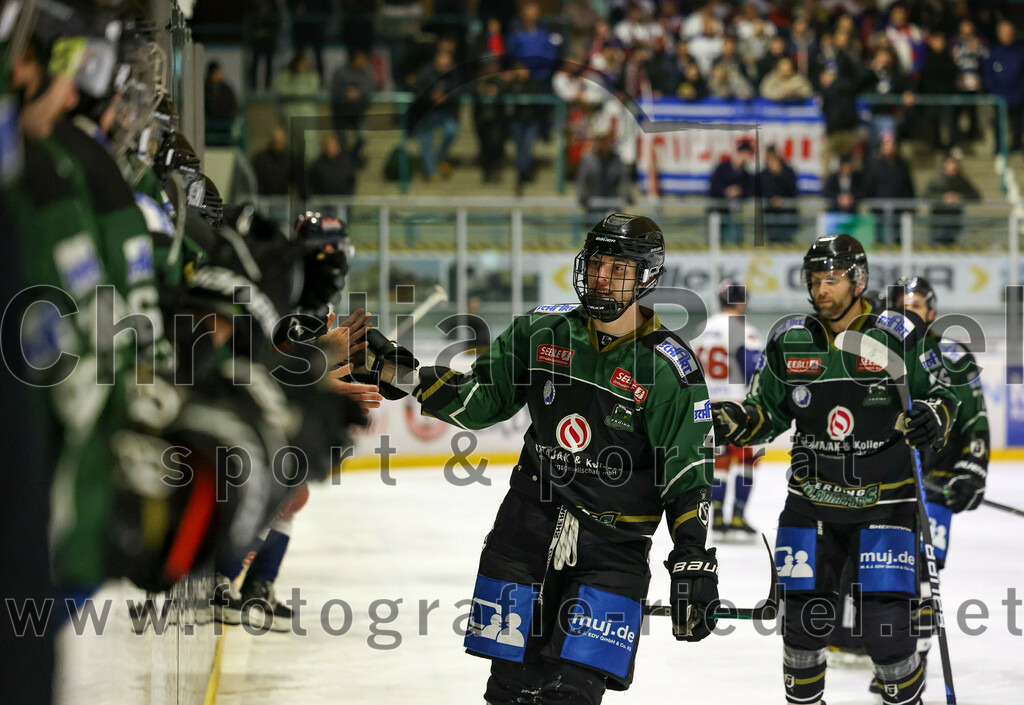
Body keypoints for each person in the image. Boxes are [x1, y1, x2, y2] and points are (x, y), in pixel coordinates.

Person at [369, 214, 718, 704]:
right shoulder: (542, 331)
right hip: (526, 529)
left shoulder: (667, 368)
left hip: (611, 548)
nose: (601, 277)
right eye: (597, 263)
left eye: (618, 269)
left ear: (646, 277)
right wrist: (394, 371)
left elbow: (686, 473)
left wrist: (692, 560)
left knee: (570, 693)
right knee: (510, 690)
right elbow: (479, 401)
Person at [711, 234, 959, 705]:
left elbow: (945, 398)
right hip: (811, 503)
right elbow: (767, 411)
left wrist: (932, 417)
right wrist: (739, 421)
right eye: (814, 280)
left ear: (858, 279)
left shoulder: (900, 333)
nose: (821, 289)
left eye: (832, 279)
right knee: (802, 627)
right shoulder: (790, 338)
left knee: (886, 630)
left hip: (887, 502)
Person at [830, 275, 990, 692]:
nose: (908, 314)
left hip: (934, 482)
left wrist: (972, 468)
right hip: (888, 483)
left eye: (916, 306)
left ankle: (909, 666)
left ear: (931, 313)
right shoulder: (871, 352)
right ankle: (874, 645)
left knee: (919, 576)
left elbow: (975, 420)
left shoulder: (949, 354)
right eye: (900, 306)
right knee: (877, 573)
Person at [693, 280, 763, 540]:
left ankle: (719, 517)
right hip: (738, 407)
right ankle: (738, 516)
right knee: (746, 463)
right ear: (742, 301)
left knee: (719, 465)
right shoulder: (743, 330)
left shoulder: (703, 329)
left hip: (709, 406)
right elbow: (753, 370)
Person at [862, 134, 915, 245]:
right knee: (880, 239)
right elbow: (869, 187)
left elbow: (909, 188)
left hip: (899, 210)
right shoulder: (874, 166)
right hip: (879, 210)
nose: (889, 148)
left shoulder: (903, 166)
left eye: (891, 145)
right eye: (886, 145)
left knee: (900, 239)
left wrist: (911, 207)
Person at [330, 49, 378, 166]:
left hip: (358, 113)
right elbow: (334, 90)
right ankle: (345, 163)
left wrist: (358, 93)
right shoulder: (340, 72)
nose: (363, 63)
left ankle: (351, 158)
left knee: (363, 138)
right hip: (341, 112)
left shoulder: (366, 72)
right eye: (360, 60)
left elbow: (372, 87)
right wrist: (346, 93)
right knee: (342, 142)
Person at [984, 20, 1024, 154]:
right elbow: (988, 75)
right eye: (1003, 33)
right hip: (999, 96)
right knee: (998, 124)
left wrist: (1020, 92)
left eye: (1009, 33)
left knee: (1017, 123)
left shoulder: (1020, 53)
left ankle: (1017, 146)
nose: (1006, 35)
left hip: (1017, 96)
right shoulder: (993, 53)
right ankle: (999, 148)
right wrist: (994, 92)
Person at [577, 129, 631, 225]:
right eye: (601, 140)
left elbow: (624, 181)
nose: (604, 143)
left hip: (612, 205)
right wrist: (583, 198)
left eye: (606, 140)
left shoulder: (616, 160)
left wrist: (626, 196)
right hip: (593, 204)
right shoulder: (588, 160)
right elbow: (582, 182)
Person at [923, 155, 981, 245]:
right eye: (950, 164)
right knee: (937, 245)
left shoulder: (961, 180)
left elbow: (976, 196)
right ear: (944, 166)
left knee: (953, 247)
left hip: (955, 221)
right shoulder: (936, 180)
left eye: (955, 165)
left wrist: (960, 197)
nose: (953, 167)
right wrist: (943, 198)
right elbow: (925, 195)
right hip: (938, 221)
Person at [708, 141, 754, 245]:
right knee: (716, 241)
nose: (745, 158)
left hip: (735, 214)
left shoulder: (745, 174)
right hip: (718, 211)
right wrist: (726, 191)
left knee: (736, 241)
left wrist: (739, 191)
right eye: (743, 154)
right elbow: (714, 186)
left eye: (747, 155)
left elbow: (750, 190)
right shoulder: (722, 168)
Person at [758, 146, 799, 243]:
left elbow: (793, 191)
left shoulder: (788, 172)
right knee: (772, 241)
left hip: (787, 214)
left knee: (787, 241)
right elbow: (761, 191)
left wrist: (780, 174)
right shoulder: (763, 174)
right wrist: (772, 199)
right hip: (770, 215)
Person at [252, 126, 293, 195]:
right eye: (276, 141)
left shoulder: (289, 159)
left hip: (282, 199)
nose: (279, 144)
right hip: (263, 198)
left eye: (281, 141)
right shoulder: (260, 159)